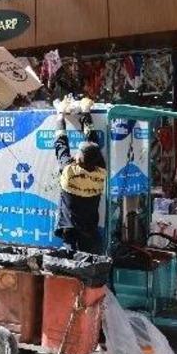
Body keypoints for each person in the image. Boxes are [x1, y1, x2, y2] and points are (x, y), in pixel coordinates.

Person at [53, 97, 107, 255]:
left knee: (70, 263)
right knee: (90, 263)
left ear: (77, 158)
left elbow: (60, 142)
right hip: (90, 229)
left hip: (70, 229)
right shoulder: (100, 171)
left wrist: (60, 115)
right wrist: (85, 112)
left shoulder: (68, 171)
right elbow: (92, 141)